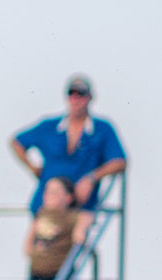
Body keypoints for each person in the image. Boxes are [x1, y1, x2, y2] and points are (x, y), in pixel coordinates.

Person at [11, 74, 126, 216]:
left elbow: (119, 161)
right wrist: (33, 168)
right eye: (72, 94)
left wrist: (92, 178)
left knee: (79, 228)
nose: (76, 99)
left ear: (90, 97)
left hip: (80, 209)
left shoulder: (102, 129)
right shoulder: (49, 127)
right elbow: (17, 142)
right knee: (43, 229)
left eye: (81, 94)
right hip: (45, 209)